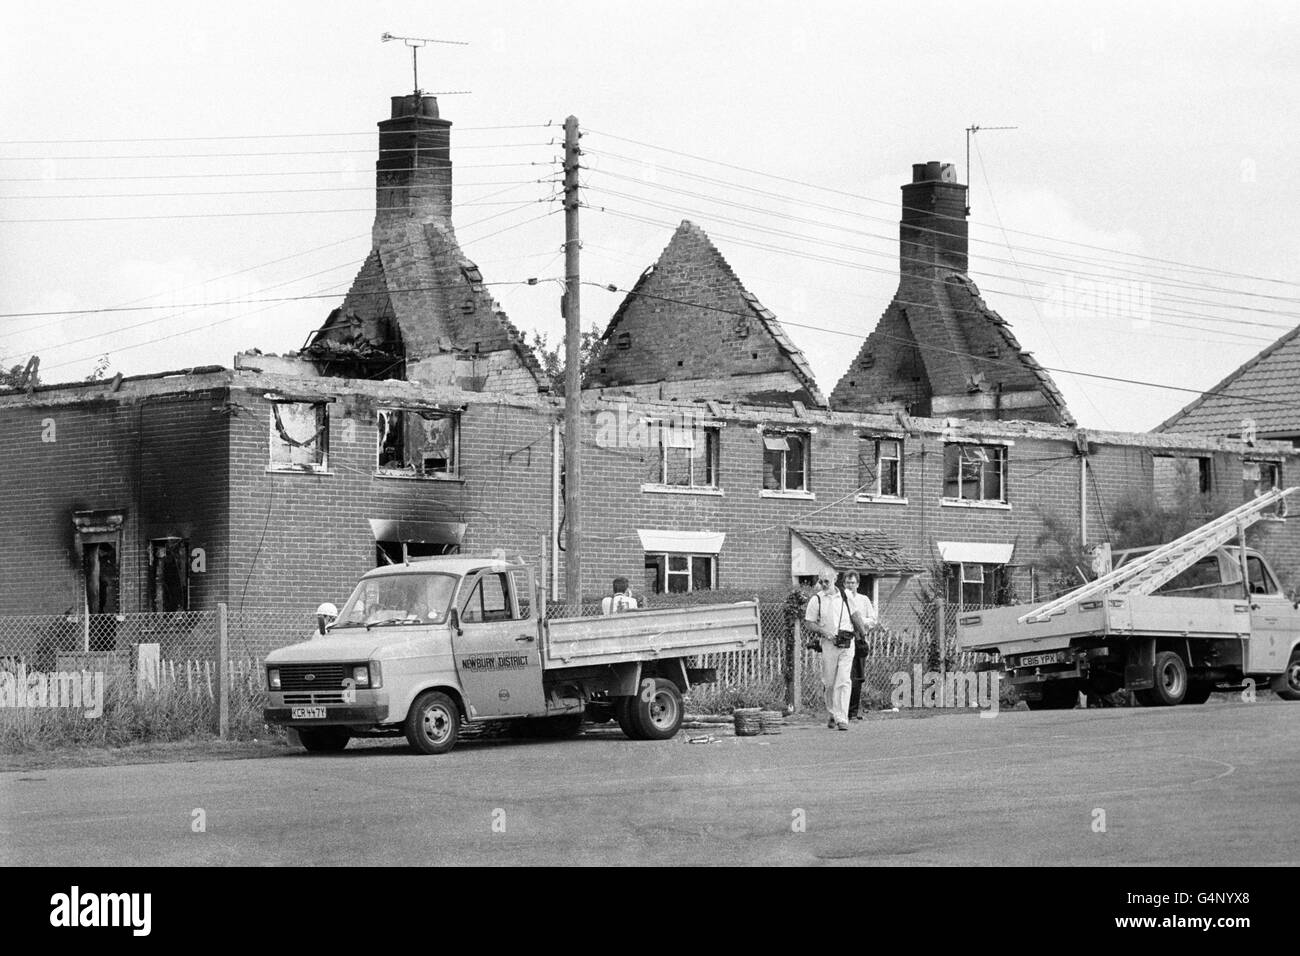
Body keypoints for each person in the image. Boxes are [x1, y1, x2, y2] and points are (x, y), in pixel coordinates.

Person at [804, 570, 857, 730]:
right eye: (821, 581)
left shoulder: (846, 596)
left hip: (847, 643)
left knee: (844, 680)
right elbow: (809, 622)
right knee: (829, 682)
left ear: (835, 579)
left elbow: (855, 615)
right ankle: (832, 712)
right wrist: (824, 632)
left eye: (827, 581)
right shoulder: (817, 599)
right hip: (829, 644)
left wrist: (862, 633)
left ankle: (842, 718)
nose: (824, 585)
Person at [843, 571, 879, 719]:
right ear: (844, 584)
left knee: (857, 678)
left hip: (859, 641)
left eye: (853, 582)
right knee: (843, 677)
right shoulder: (840, 599)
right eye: (847, 582)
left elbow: (873, 620)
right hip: (844, 641)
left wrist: (858, 620)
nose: (850, 585)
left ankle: (852, 711)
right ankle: (841, 711)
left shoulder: (863, 600)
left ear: (857, 584)